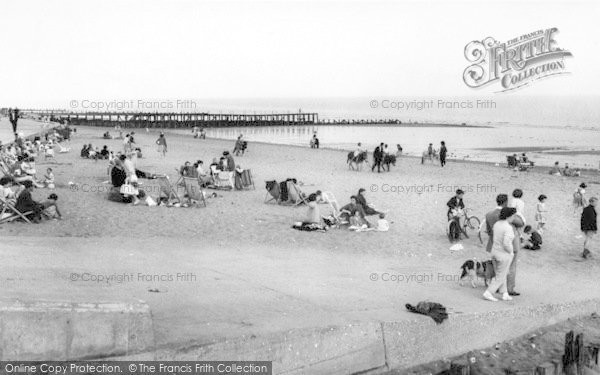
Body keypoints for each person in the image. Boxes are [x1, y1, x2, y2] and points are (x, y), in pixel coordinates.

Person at [483, 207, 517, 302]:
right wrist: (511, 251)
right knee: (501, 276)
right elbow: (506, 243)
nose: (514, 218)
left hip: (495, 251)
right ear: (509, 216)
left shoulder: (497, 224)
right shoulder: (508, 228)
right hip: (503, 254)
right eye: (513, 216)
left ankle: (504, 293)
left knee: (501, 273)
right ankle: (489, 292)